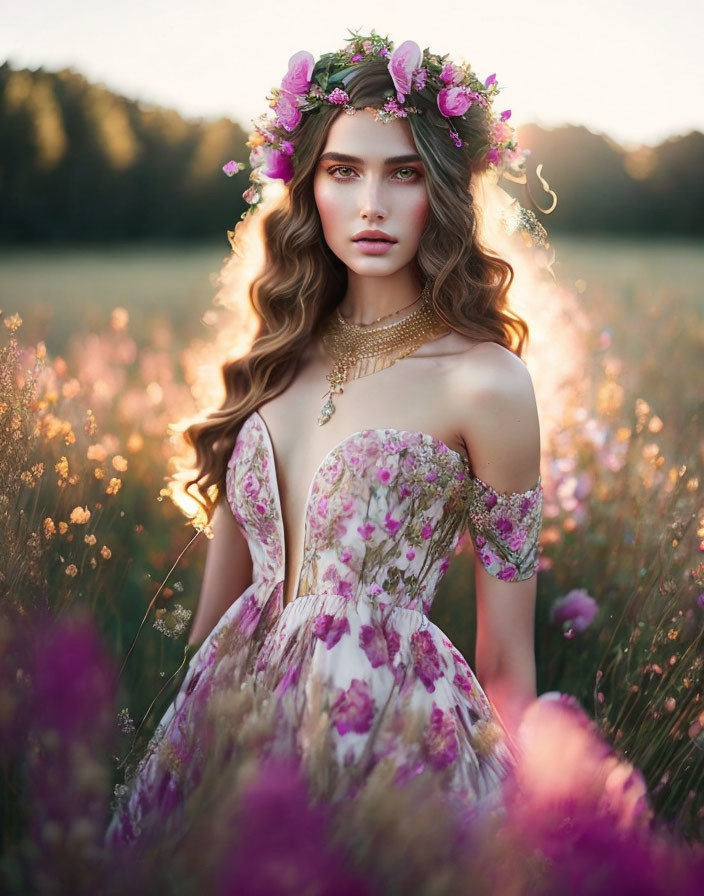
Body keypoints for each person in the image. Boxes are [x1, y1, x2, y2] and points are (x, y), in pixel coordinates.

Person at [106, 31, 545, 848]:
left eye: (403, 171)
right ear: (309, 187)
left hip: (389, 738)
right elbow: (211, 631)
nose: (371, 204)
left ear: (442, 190)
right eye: (344, 171)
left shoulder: (484, 382)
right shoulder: (269, 363)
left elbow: (508, 660)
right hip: (228, 737)